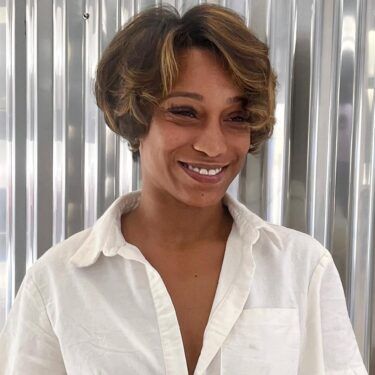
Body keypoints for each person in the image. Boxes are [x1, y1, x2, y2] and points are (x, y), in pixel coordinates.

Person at [0, 3, 368, 375]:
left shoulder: (301, 268)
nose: (213, 145)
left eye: (236, 118)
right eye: (185, 112)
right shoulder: (58, 284)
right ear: (135, 116)